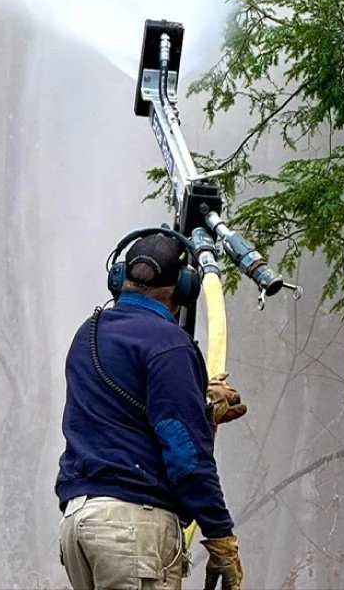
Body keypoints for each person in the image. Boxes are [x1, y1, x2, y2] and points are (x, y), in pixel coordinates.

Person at [56, 228, 248, 590]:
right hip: (130, 529)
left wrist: (202, 411)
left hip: (79, 525)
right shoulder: (170, 345)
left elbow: (125, 418)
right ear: (184, 289)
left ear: (119, 278)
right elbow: (186, 458)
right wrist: (220, 536)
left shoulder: (87, 335)